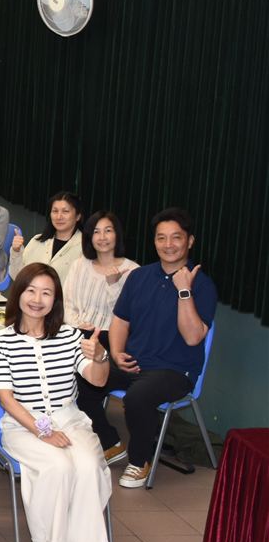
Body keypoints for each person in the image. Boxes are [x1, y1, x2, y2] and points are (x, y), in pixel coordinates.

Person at [0, 263, 112, 542]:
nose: (37, 299)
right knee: (58, 466)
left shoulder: (70, 336)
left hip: (69, 419)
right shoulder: (1, 341)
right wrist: (42, 431)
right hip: (23, 425)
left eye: (46, 293)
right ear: (18, 294)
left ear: (55, 299)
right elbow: (6, 399)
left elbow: (97, 380)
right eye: (31, 290)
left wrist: (100, 356)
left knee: (88, 465)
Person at [90, 208, 217, 487]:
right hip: (135, 363)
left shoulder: (202, 284)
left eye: (176, 237)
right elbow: (120, 320)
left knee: (138, 396)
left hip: (174, 371)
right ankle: (110, 443)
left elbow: (193, 337)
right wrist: (116, 353)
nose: (168, 244)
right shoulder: (139, 276)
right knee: (82, 377)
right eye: (161, 238)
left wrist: (184, 291)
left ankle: (139, 462)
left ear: (190, 241)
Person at [62, 211, 139, 369]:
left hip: (110, 339)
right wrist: (77, 324)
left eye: (108, 231)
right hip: (76, 332)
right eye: (96, 232)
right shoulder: (79, 265)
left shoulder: (133, 271)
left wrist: (113, 285)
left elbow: (126, 318)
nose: (102, 237)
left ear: (117, 235)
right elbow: (66, 303)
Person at [10, 192, 85, 283]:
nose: (59, 217)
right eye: (55, 211)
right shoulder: (37, 241)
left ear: (78, 216)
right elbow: (18, 276)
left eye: (65, 211)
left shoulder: (84, 247)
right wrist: (16, 251)